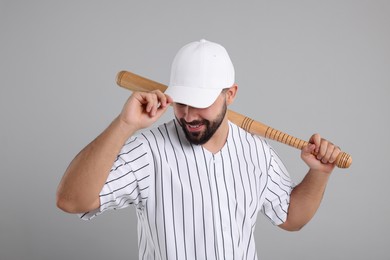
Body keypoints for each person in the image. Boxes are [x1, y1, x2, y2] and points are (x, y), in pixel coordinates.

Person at [57, 39, 341, 260]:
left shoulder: (256, 152)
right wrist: (124, 124)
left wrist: (319, 174)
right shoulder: (148, 151)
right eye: (181, 101)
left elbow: (291, 218)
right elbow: (72, 201)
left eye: (200, 101)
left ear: (230, 93)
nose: (189, 115)